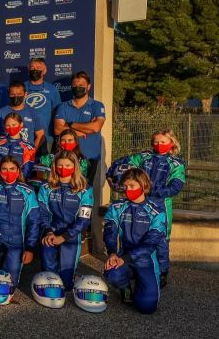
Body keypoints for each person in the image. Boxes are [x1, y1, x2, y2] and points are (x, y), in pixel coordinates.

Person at [107, 129, 185, 285]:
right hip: (139, 200)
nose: (159, 145)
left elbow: (176, 186)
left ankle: (162, 271)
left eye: (163, 142)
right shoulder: (144, 156)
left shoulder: (176, 163)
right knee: (134, 235)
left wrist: (149, 188)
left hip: (161, 204)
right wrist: (112, 175)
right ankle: (131, 267)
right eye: (156, 141)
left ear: (172, 143)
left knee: (161, 240)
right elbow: (121, 164)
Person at [104, 168, 166, 314]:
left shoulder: (157, 211)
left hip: (146, 261)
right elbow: (110, 231)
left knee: (147, 307)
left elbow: (150, 243)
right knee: (111, 273)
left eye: (132, 186)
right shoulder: (117, 207)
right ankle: (125, 287)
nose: (128, 190)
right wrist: (113, 254)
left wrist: (124, 258)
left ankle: (142, 281)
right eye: (125, 186)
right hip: (124, 257)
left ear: (143, 186)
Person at [0, 156, 40, 286]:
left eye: (12, 169)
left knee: (12, 284)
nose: (8, 172)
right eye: (4, 169)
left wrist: (30, 248)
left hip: (17, 241)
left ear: (18, 171)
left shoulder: (28, 191)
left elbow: (34, 222)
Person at [38, 150, 93, 290]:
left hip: (72, 235)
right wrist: (49, 232)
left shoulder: (85, 189)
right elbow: (42, 213)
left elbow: (83, 220)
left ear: (75, 167)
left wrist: (64, 237)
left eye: (68, 165)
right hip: (50, 233)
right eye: (60, 165)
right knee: (51, 283)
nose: (63, 169)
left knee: (66, 285)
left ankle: (71, 276)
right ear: (54, 166)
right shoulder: (46, 187)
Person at [53, 71, 106, 183]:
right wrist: (83, 131)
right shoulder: (63, 106)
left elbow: (96, 127)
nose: (78, 88)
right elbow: (58, 129)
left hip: (89, 157)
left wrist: (70, 124)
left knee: (84, 192)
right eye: (75, 86)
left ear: (88, 86)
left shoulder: (97, 106)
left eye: (81, 86)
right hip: (65, 159)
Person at [0, 81, 44, 150]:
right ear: (9, 94)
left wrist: (31, 152)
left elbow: (40, 135)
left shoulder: (33, 113)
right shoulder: (0, 113)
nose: (16, 96)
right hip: (6, 155)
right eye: (13, 94)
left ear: (25, 94)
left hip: (27, 154)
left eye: (19, 94)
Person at [0, 112, 37, 179]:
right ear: (4, 126)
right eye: (8, 125)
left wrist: (12, 180)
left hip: (18, 181)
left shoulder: (29, 147)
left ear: (21, 124)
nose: (11, 127)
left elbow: (26, 171)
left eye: (14, 125)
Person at [26, 57, 62, 154]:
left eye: (38, 67)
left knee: (43, 168)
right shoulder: (22, 87)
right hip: (24, 137)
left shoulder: (52, 89)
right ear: (28, 69)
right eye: (32, 67)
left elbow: (57, 113)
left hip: (46, 137)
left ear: (44, 70)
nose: (35, 70)